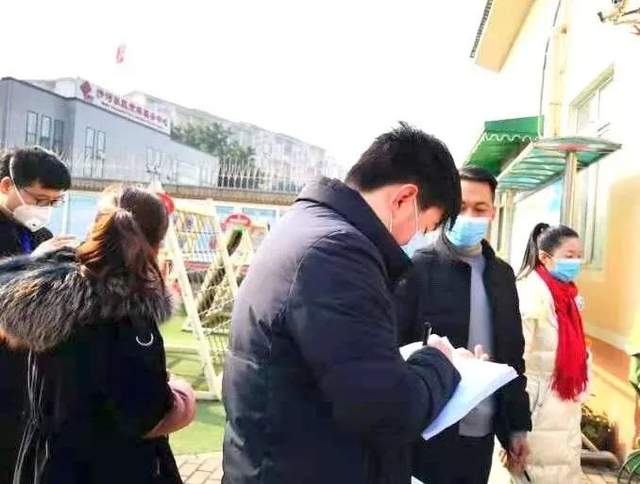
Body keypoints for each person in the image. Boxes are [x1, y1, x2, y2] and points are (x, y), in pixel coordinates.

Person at [223, 123, 465, 484]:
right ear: (403, 199)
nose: (414, 240)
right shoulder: (338, 253)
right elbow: (386, 409)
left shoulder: (306, 227)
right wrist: (438, 361)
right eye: (424, 228)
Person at [0, 186, 197, 484]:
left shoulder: (41, 297)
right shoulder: (128, 312)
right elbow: (145, 414)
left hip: (44, 461)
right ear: (157, 243)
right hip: (111, 466)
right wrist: (182, 397)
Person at [394, 166, 531, 484]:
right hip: (428, 432)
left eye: (480, 208)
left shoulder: (502, 276)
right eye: (460, 206)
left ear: (493, 213)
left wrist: (516, 427)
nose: (469, 216)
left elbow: (513, 356)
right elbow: (393, 350)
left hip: (480, 436)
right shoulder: (416, 269)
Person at [0, 147, 73, 484]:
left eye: (54, 203)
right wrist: (31, 263)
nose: (45, 210)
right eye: (40, 200)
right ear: (6, 186)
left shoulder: (41, 236)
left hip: (29, 375)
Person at [515, 223, 587, 483]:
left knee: (563, 471)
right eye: (570, 255)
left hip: (565, 407)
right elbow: (517, 359)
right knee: (536, 473)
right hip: (538, 408)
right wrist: (515, 426)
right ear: (545, 258)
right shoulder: (530, 294)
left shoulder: (568, 296)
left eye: (579, 255)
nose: (576, 262)